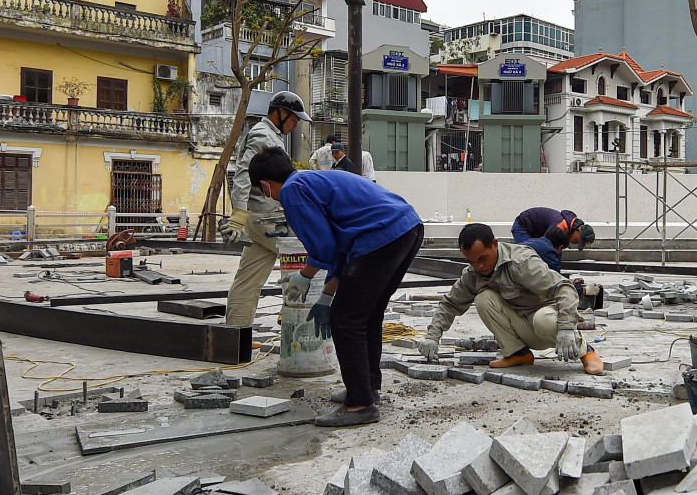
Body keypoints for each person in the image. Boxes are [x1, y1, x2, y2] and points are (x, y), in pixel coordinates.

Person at [249, 148, 422, 427]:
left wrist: (304, 275)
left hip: (383, 236)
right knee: (367, 316)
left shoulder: (293, 191)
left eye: (263, 191)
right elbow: (342, 250)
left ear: (265, 185)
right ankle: (366, 388)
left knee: (347, 321)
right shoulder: (312, 182)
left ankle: (359, 405)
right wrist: (326, 296)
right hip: (405, 228)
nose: (267, 196)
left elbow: (324, 248)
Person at [420, 223, 604, 374]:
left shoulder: (521, 262)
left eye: (483, 258)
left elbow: (564, 288)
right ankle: (518, 354)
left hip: (547, 325)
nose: (479, 265)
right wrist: (432, 337)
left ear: (494, 244)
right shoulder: (473, 274)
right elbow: (450, 303)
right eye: (472, 261)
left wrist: (565, 328)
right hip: (520, 326)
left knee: (542, 320)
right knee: (483, 298)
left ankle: (586, 352)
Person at [224, 91, 304, 330]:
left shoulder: (272, 135)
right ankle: (294, 317)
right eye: (294, 119)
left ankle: (235, 335)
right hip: (266, 217)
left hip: (260, 220)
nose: (295, 124)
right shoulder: (262, 134)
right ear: (280, 113)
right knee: (306, 256)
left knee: (249, 278)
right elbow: (242, 173)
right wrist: (238, 215)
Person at [510, 206, 596, 273]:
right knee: (526, 257)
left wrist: (559, 277)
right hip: (523, 227)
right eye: (577, 241)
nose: (575, 243)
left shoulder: (566, 229)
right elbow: (546, 249)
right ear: (578, 230)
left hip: (536, 232)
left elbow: (556, 254)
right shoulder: (560, 226)